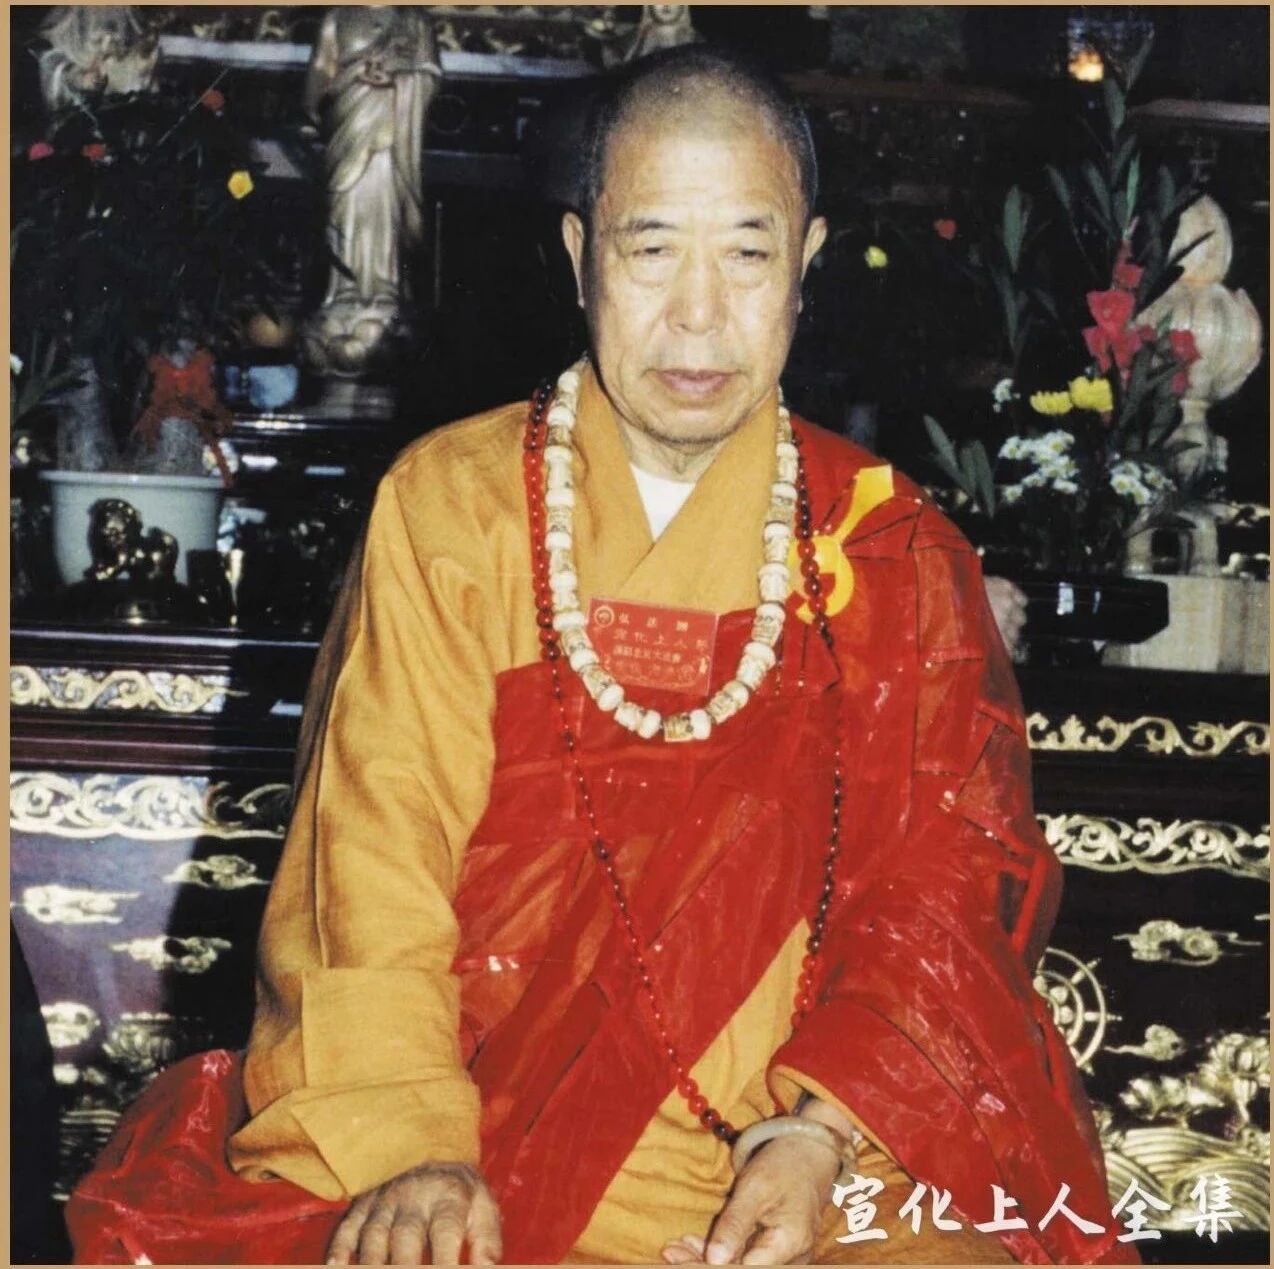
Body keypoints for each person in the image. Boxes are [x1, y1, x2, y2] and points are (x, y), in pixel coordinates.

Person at [69, 47, 1138, 1267]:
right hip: (482, 1134)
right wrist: (415, 1145)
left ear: (805, 261)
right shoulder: (454, 506)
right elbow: (371, 859)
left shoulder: (887, 548)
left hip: (811, 1156)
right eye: (651, 250)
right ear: (581, 256)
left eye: (746, 254)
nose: (698, 314)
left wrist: (822, 1133)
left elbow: (945, 888)